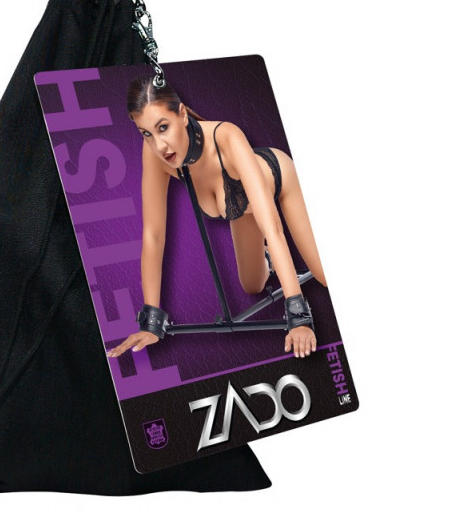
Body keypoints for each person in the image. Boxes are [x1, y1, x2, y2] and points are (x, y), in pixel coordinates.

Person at [107, 74, 328, 361]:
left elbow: (272, 227)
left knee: (325, 277)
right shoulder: (155, 155)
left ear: (182, 114)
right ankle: (271, 258)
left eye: (163, 127)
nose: (159, 145)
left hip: (279, 180)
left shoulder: (227, 136)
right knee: (252, 285)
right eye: (146, 133)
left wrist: (298, 316)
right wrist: (151, 322)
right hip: (239, 208)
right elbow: (153, 235)